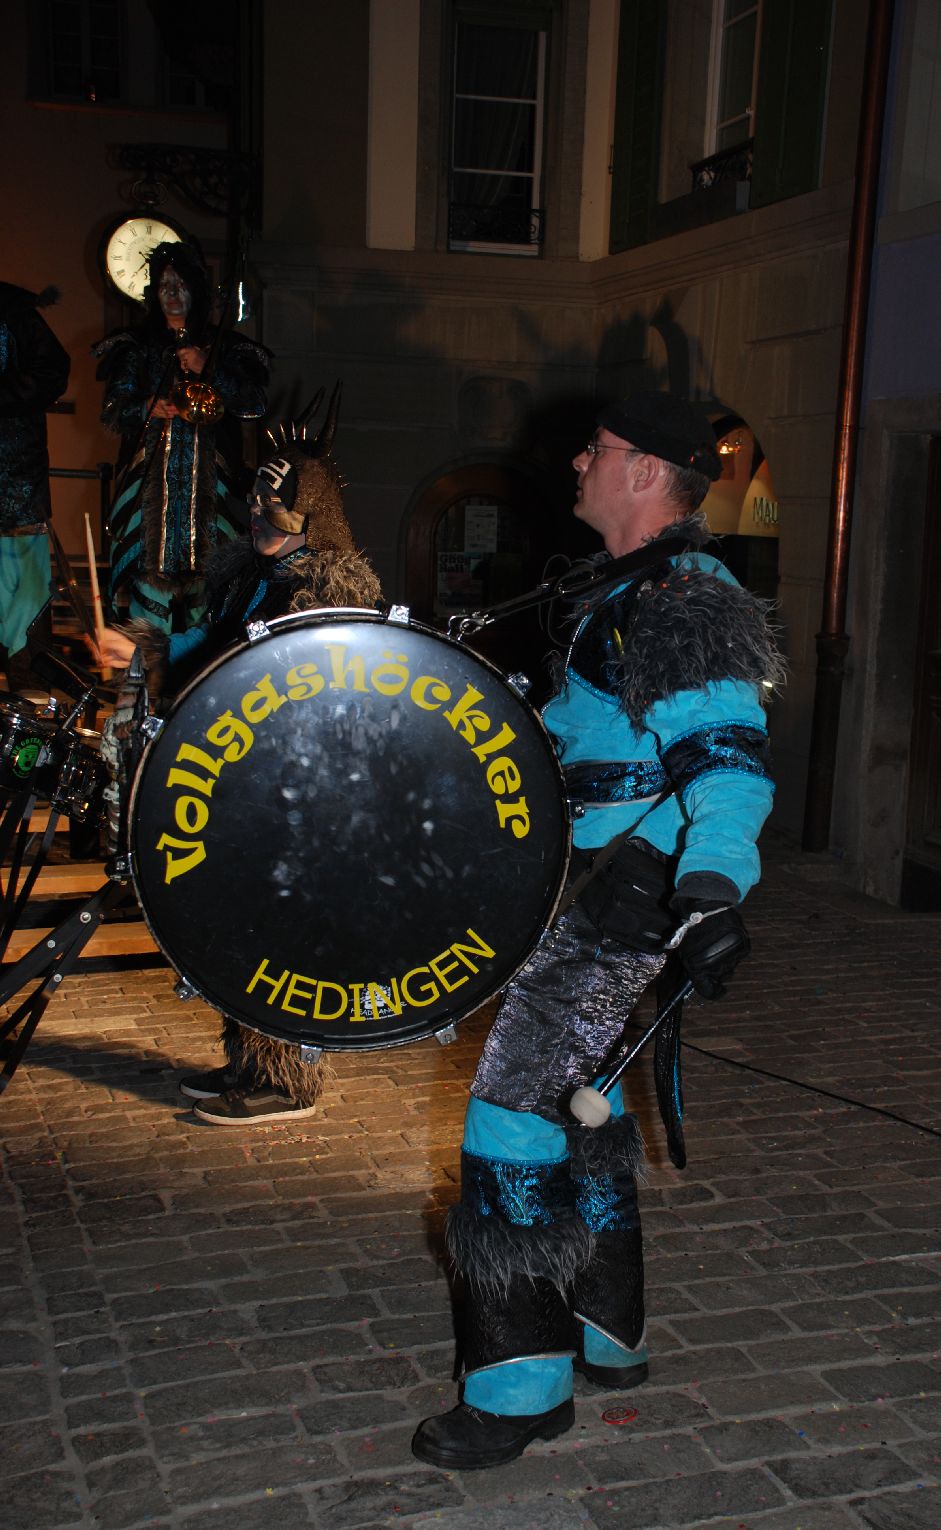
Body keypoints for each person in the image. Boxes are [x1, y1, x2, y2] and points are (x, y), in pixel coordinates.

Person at [412, 391, 785, 1470]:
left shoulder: (678, 594)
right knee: (587, 1105)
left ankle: (518, 1392)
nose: (579, 459)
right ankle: (606, 1330)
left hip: (619, 902)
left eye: (600, 449)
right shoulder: (623, 585)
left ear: (644, 472)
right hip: (595, 888)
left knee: (515, 1121)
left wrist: (712, 888)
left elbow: (725, 755)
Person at [97, 390, 382, 1124]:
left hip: (302, 795)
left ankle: (288, 1083)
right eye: (255, 495)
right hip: (243, 780)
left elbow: (311, 691)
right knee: (240, 930)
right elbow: (211, 658)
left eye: (274, 497)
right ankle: (248, 1061)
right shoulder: (254, 578)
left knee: (282, 937)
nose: (257, 509)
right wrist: (148, 651)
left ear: (310, 508)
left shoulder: (328, 591)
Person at [93, 241, 271, 634]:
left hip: (212, 499)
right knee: (146, 597)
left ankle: (195, 679)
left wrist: (210, 367)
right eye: (164, 285)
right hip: (151, 498)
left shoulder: (227, 347)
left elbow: (254, 404)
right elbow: (112, 411)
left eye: (181, 285)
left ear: (196, 291)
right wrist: (146, 408)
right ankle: (143, 684)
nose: (172, 294)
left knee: (207, 599)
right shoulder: (138, 348)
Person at [0, 282, 70, 692]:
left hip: (13, 481)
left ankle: (27, 695)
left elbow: (51, 371)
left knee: (23, 598)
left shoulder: (12, 312)